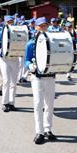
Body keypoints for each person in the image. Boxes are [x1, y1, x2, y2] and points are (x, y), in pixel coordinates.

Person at [24, 17, 57, 145]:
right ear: (36, 27)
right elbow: (27, 60)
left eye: (45, 25)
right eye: (41, 26)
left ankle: (48, 129)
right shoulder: (31, 43)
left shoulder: (52, 41)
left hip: (50, 76)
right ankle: (39, 131)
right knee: (38, 104)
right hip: (37, 77)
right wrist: (29, 66)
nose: (43, 28)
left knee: (50, 104)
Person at [0, 16, 20, 112]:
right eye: (8, 22)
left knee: (13, 83)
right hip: (5, 59)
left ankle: (11, 103)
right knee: (6, 81)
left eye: (11, 21)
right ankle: (5, 103)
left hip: (14, 58)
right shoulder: (1, 33)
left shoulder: (17, 32)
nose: (10, 23)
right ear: (5, 23)